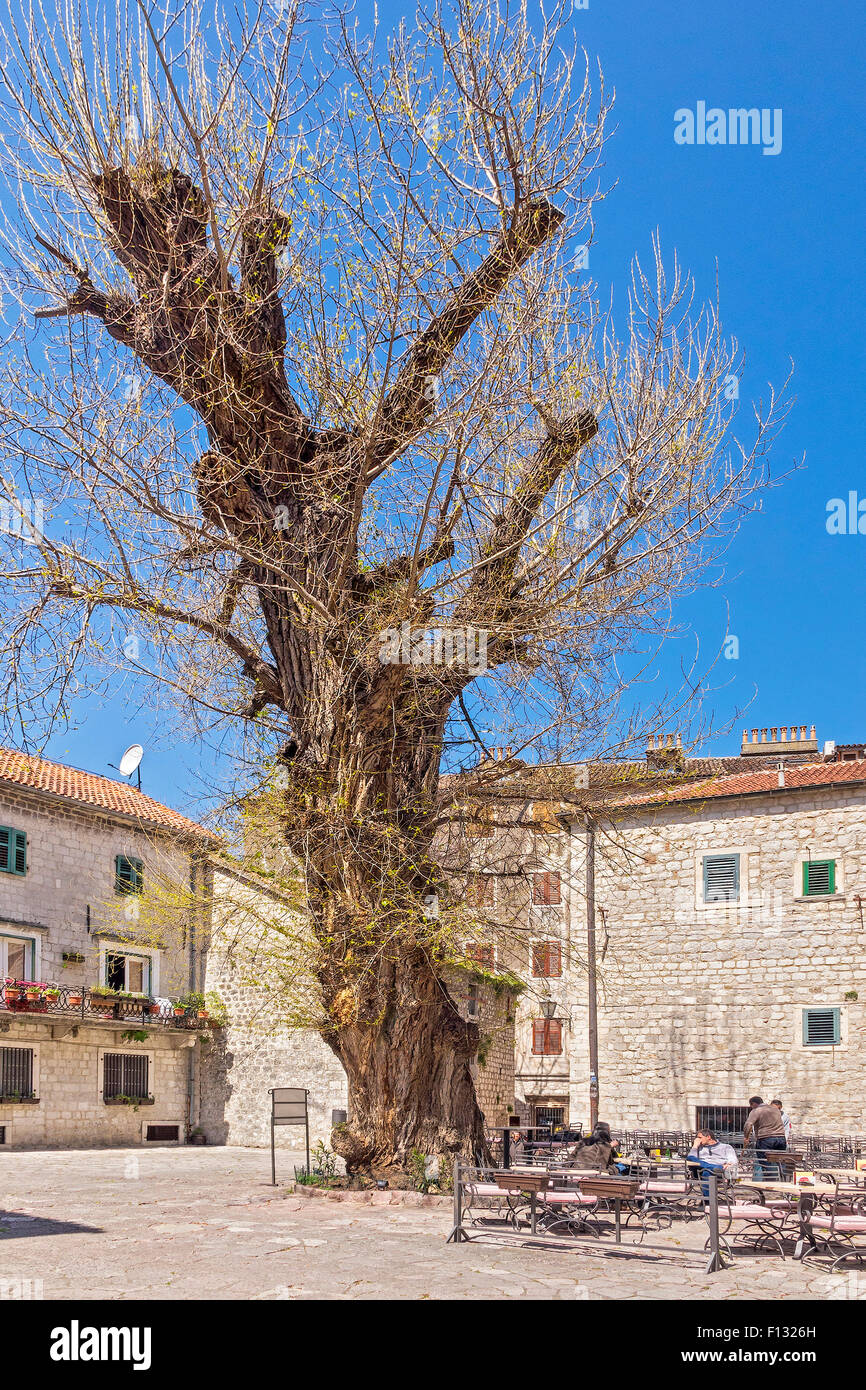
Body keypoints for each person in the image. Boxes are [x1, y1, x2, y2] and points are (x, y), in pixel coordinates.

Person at [687, 1129, 739, 1200]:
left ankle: (707, 1200)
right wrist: (695, 1146)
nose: (697, 1140)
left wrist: (728, 1165)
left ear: (708, 1137)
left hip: (721, 1172)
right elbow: (690, 1159)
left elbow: (733, 1161)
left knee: (706, 1171)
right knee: (695, 1161)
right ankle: (714, 1167)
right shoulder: (698, 1148)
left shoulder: (726, 1147)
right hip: (701, 1171)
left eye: (699, 1137)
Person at [744, 1095, 787, 1180]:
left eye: (751, 1105)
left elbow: (748, 1125)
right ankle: (783, 1181)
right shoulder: (775, 1109)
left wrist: (746, 1137)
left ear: (754, 1103)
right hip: (781, 1138)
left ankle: (771, 1183)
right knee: (781, 1161)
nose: (751, 1107)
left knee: (766, 1162)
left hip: (766, 1138)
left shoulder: (756, 1110)